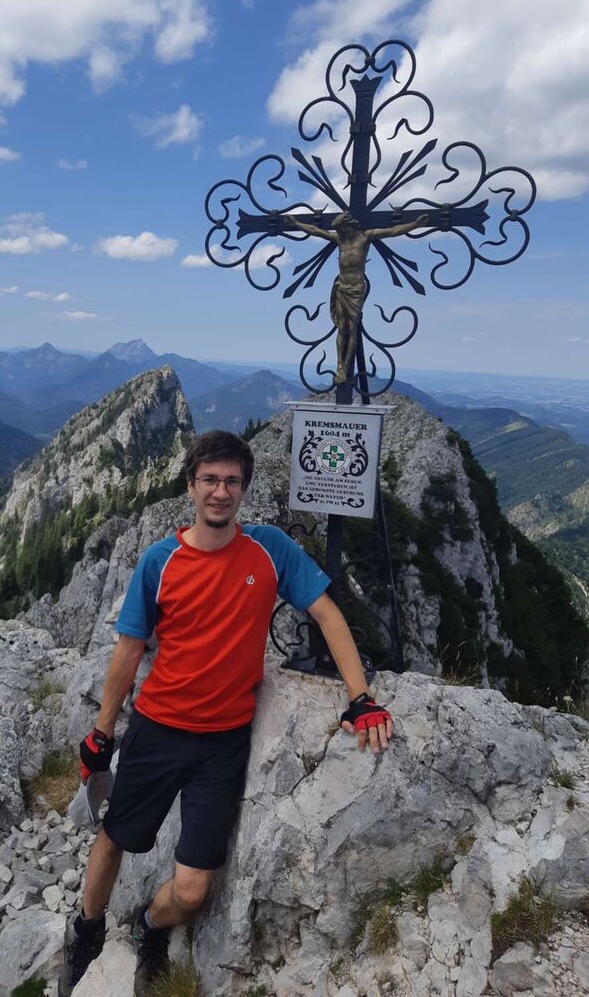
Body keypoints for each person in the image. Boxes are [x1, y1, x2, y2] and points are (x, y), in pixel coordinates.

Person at [58, 430, 393, 996]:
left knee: (192, 891)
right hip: (157, 729)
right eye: (209, 479)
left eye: (232, 481)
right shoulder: (159, 561)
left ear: (244, 489)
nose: (220, 491)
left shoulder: (269, 549)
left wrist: (360, 699)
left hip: (223, 744)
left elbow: (327, 613)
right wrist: (101, 733)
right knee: (114, 839)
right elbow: (128, 652)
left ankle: (150, 926)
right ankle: (86, 931)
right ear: (191, 486)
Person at [286, 210, 428, 383]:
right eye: (340, 231)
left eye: (344, 229)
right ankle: (340, 367)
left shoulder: (365, 237)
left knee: (351, 327)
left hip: (356, 289)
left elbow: (392, 231)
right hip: (341, 287)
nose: (342, 233)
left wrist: (415, 224)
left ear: (350, 225)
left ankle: (346, 366)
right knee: (341, 328)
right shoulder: (340, 240)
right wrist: (296, 224)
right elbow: (316, 231)